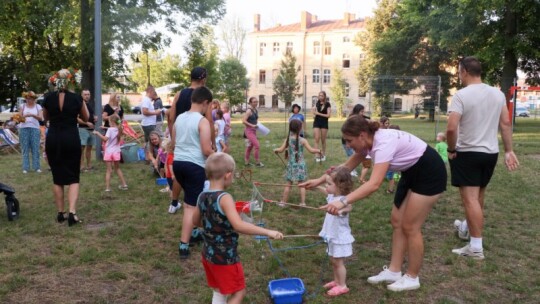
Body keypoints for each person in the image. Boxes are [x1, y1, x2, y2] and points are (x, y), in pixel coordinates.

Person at [300, 115, 447, 292]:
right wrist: (318, 181)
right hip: (411, 171)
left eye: (349, 140)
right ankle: (394, 271)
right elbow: (346, 167)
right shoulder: (368, 142)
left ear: (362, 135)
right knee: (397, 221)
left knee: (411, 226)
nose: (348, 145)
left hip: (430, 172)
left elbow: (374, 184)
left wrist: (343, 201)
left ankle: (412, 277)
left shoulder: (383, 144)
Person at [446, 56, 519, 259]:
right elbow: (505, 123)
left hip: (468, 152)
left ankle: (476, 247)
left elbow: (451, 128)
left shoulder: (460, 96)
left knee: (470, 200)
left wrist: (451, 149)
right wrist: (509, 151)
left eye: (459, 72)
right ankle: (468, 229)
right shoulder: (497, 94)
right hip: (490, 153)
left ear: (464, 72)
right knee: (478, 197)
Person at [193, 152, 283, 304]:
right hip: (225, 257)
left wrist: (216, 221)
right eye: (233, 175)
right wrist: (268, 232)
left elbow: (196, 221)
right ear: (227, 175)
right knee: (238, 292)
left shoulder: (202, 195)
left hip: (208, 254)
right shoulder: (225, 197)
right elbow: (239, 226)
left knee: (219, 289)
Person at [172, 86, 214, 259]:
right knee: (190, 207)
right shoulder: (202, 121)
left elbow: (174, 142)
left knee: (193, 201)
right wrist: (219, 156)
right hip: (194, 166)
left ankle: (195, 232)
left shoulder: (179, 118)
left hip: (178, 164)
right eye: (208, 106)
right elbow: (206, 150)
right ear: (205, 103)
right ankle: (184, 244)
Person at [43, 68, 89, 226]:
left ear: (55, 80)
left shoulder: (48, 98)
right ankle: (72, 213)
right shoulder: (76, 98)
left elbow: (45, 118)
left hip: (54, 138)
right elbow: (86, 117)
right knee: (73, 176)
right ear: (70, 81)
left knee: (57, 177)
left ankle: (60, 213)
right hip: (70, 137)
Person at [167, 67, 214, 216]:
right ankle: (201, 205)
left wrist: (172, 137)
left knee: (181, 172)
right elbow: (210, 121)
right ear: (203, 79)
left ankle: (174, 203)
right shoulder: (204, 96)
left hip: (180, 135)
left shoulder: (179, 93)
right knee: (197, 172)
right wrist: (212, 142)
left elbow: (170, 116)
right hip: (197, 137)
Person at [319, 166, 354, 297]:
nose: (326, 186)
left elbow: (349, 207)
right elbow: (327, 193)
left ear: (339, 185)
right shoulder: (333, 195)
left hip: (339, 237)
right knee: (333, 260)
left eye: (329, 184)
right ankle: (336, 281)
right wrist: (315, 187)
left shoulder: (343, 200)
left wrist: (340, 211)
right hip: (332, 235)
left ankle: (342, 285)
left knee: (338, 262)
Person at [273, 119, 321, 206]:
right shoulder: (303, 140)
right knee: (302, 184)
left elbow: (280, 150)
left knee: (288, 184)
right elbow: (311, 150)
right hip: (300, 165)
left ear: (290, 128)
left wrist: (276, 150)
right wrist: (318, 150)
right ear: (300, 129)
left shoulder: (288, 140)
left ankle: (283, 202)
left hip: (291, 165)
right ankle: (302, 203)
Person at [93, 114, 128, 192]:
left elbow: (105, 139)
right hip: (116, 152)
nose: (108, 123)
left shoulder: (110, 130)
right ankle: (124, 185)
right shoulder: (120, 128)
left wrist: (97, 133)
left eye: (109, 121)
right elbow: (114, 129)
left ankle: (107, 188)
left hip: (109, 152)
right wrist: (105, 127)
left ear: (112, 121)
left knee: (109, 170)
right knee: (117, 169)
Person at [19, 91, 43, 173]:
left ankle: (37, 167)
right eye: (27, 99)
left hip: (35, 128)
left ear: (34, 99)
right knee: (25, 148)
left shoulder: (38, 106)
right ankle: (25, 168)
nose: (29, 100)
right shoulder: (22, 106)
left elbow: (41, 118)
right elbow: (19, 118)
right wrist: (24, 116)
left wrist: (32, 115)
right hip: (24, 128)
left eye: (31, 99)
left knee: (35, 148)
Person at [77, 89, 96, 171]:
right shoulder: (79, 104)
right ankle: (81, 166)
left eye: (88, 94)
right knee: (82, 148)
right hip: (83, 129)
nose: (87, 96)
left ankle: (89, 165)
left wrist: (95, 118)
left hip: (91, 129)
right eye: (85, 94)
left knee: (89, 148)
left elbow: (91, 115)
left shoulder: (89, 104)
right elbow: (76, 118)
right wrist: (86, 123)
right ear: (81, 95)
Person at [243, 96, 264, 167]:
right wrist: (252, 125)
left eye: (256, 101)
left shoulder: (255, 110)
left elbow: (255, 120)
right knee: (257, 146)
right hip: (249, 131)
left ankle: (246, 162)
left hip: (254, 130)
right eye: (254, 102)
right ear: (250, 103)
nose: (256, 103)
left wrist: (258, 124)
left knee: (250, 146)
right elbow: (243, 121)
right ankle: (258, 162)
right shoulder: (249, 111)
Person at [312, 91, 331, 162]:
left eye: (322, 96)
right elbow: (314, 115)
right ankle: (316, 155)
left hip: (324, 123)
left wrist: (318, 113)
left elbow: (328, 115)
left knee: (323, 140)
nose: (320, 97)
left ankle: (323, 154)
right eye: (319, 95)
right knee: (316, 139)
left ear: (324, 96)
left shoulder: (327, 104)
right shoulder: (316, 103)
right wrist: (313, 114)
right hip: (316, 122)